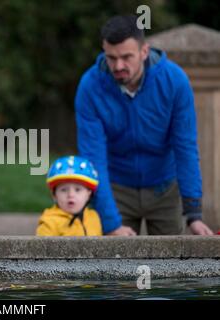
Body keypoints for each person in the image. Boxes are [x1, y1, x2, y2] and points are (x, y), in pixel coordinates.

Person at [75, 15, 214, 236]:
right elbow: (93, 157)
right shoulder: (90, 87)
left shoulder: (175, 81)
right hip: (115, 187)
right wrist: (111, 223)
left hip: (164, 187)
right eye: (110, 57)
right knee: (114, 268)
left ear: (144, 51)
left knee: (170, 267)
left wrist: (194, 214)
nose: (118, 65)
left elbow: (185, 147)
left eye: (126, 57)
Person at [36, 155, 102, 236]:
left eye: (77, 190)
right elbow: (42, 248)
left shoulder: (93, 217)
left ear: (89, 194)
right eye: (64, 190)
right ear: (54, 195)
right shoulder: (49, 223)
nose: (71, 195)